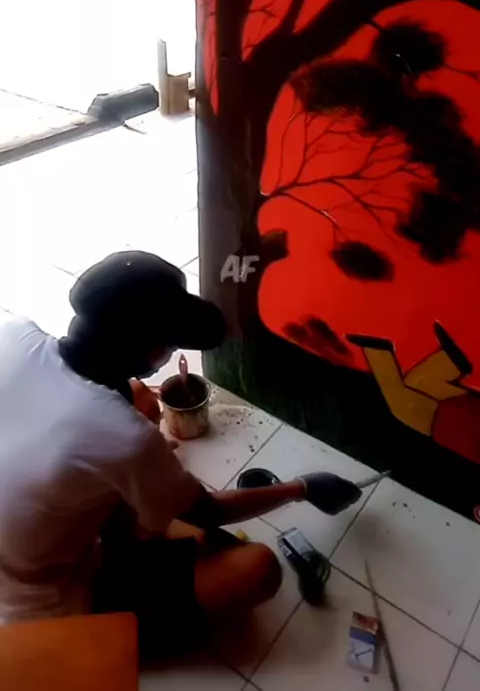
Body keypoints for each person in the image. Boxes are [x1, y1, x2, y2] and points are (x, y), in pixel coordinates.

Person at [0, 251, 307, 660]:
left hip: (21, 540)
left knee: (141, 399)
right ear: (149, 353)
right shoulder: (126, 438)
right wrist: (299, 489)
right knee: (259, 570)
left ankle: (136, 512)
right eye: (170, 344)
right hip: (41, 598)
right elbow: (210, 511)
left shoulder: (15, 333)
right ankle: (96, 638)